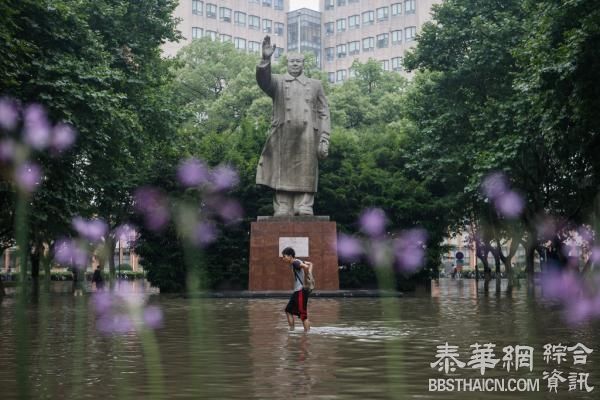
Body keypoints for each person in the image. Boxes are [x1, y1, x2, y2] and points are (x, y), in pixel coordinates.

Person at [256, 35, 331, 216]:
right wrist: (266, 59)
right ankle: (283, 205)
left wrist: (325, 137)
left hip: (308, 134)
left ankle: (304, 204)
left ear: (303, 64)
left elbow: (324, 112)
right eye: (292, 61)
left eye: (298, 61)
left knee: (306, 169)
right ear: (287, 63)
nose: (295, 64)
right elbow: (263, 81)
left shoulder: (315, 85)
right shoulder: (278, 82)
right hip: (283, 134)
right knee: (282, 169)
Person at [282, 246, 311, 332]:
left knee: (303, 316)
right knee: (288, 310)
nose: (283, 258)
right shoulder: (297, 261)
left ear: (290, 256)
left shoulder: (295, 263)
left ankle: (307, 336)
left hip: (301, 291)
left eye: (284, 256)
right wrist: (310, 276)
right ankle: (292, 331)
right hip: (297, 292)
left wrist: (306, 281)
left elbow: (306, 266)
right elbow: (310, 264)